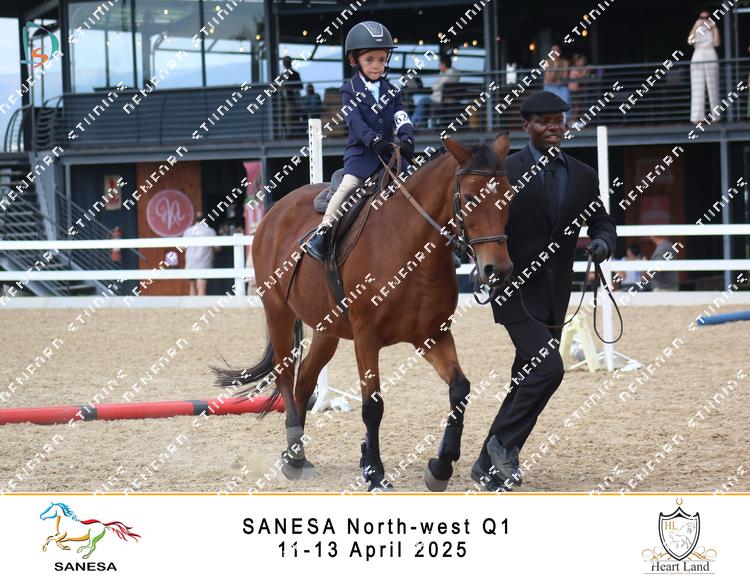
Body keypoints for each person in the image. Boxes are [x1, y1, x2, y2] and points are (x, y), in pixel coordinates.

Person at [472, 91, 617, 491]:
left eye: (558, 120)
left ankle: (486, 464)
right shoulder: (504, 171)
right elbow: (479, 220)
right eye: (544, 122)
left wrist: (603, 243)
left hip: (555, 295)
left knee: (525, 379)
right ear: (527, 126)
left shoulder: (584, 175)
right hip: (514, 289)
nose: (554, 127)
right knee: (548, 369)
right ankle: (505, 445)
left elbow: (601, 222)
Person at [306, 21, 414, 261]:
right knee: (347, 187)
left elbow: (401, 116)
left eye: (381, 60)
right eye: (370, 60)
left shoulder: (392, 91)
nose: (376, 65)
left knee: (419, 185)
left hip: (390, 155)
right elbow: (355, 121)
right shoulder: (349, 90)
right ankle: (323, 233)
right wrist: (373, 140)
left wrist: (407, 138)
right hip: (362, 155)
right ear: (354, 61)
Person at [688, 10, 720, 124]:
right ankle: (696, 117)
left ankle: (715, 116)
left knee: (713, 86)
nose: (704, 20)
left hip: (710, 54)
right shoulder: (696, 28)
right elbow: (690, 41)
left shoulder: (713, 28)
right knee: (697, 87)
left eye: (706, 18)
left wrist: (714, 28)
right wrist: (696, 26)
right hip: (698, 55)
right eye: (701, 17)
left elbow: (716, 43)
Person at [411, 53, 459, 128]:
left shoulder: (449, 74)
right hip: (446, 100)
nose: (439, 66)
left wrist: (440, 76)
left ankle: (414, 124)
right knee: (424, 104)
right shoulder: (453, 73)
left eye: (440, 64)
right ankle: (418, 125)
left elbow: (436, 87)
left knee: (422, 101)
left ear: (444, 64)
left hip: (440, 100)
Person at [183, 212, 219, 296]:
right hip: (204, 263)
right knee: (201, 288)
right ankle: (201, 304)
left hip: (191, 262)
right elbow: (217, 247)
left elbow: (182, 247)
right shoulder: (210, 231)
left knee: (192, 287)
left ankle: (192, 304)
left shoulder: (188, 231)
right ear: (205, 220)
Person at [281, 56, 303, 134]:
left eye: (287, 62)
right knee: (287, 118)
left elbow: (300, 86)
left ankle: (294, 134)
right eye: (285, 62)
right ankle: (290, 134)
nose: (286, 64)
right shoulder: (282, 75)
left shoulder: (295, 74)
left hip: (293, 100)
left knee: (292, 117)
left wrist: (289, 87)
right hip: (284, 101)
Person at [567, 53, 590, 124]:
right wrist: (587, 69)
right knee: (575, 107)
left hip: (577, 91)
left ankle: (573, 121)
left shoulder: (577, 69)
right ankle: (572, 121)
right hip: (573, 90)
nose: (583, 63)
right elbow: (581, 77)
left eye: (584, 61)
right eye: (582, 61)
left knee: (577, 107)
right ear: (577, 61)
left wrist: (587, 70)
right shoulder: (574, 69)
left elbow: (584, 77)